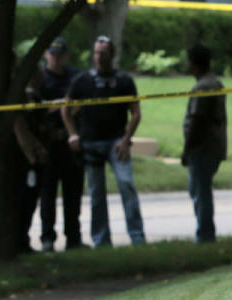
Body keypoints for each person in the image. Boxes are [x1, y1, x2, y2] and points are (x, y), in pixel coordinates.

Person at [61, 35, 146, 247]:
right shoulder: (83, 81)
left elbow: (135, 113)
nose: (99, 57)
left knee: (126, 184)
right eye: (96, 53)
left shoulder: (124, 81)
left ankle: (137, 237)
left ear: (112, 55)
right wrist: (73, 134)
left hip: (116, 143)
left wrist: (126, 140)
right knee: (96, 194)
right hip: (90, 144)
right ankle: (101, 240)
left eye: (103, 53)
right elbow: (66, 110)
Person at [38, 37, 85, 251]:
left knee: (73, 194)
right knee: (47, 193)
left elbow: (79, 104)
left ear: (65, 56)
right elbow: (38, 107)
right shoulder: (40, 78)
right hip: (49, 143)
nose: (56, 59)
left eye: (60, 55)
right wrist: (62, 104)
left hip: (71, 143)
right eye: (53, 54)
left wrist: (57, 106)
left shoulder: (74, 77)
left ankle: (73, 238)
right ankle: (48, 238)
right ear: (47, 54)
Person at [181, 44, 227, 243]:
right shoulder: (216, 82)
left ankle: (205, 235)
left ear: (195, 63)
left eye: (189, 60)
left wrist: (187, 149)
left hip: (202, 147)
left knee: (200, 192)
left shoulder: (202, 87)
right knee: (200, 189)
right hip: (215, 144)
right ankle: (205, 232)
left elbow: (197, 120)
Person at [13, 67, 48, 254]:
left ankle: (23, 238)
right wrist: (32, 153)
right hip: (27, 161)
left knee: (31, 201)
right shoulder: (24, 97)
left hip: (35, 158)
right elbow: (21, 127)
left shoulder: (36, 97)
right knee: (25, 201)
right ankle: (19, 240)